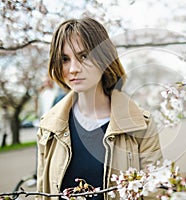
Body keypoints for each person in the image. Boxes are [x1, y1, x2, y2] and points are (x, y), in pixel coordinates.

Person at [36, 17, 162, 200]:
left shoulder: (141, 125)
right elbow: (42, 194)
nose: (73, 69)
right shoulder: (48, 128)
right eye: (64, 59)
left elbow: (155, 194)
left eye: (84, 56)